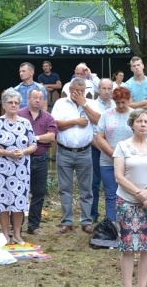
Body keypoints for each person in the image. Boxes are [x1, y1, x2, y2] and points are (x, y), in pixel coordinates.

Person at [113, 109, 147, 287]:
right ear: (132, 124)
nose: (143, 124)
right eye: (139, 121)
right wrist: (139, 193)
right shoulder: (122, 146)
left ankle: (142, 284)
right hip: (127, 202)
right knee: (128, 248)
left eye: (146, 122)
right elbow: (119, 176)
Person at [0, 88, 37, 245]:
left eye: (16, 102)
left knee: (19, 203)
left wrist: (23, 151)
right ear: (4, 104)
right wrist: (7, 153)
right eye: (10, 102)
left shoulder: (25, 122)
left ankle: (17, 234)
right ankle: (4, 235)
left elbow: (33, 144)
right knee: (4, 202)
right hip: (2, 169)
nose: (13, 105)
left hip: (21, 169)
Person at [52, 78, 96, 234]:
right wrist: (75, 121)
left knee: (86, 188)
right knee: (65, 188)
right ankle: (67, 221)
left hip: (85, 151)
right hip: (64, 151)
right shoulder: (60, 104)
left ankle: (86, 221)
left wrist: (84, 104)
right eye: (77, 90)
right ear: (70, 90)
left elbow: (98, 121)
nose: (79, 93)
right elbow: (56, 124)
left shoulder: (90, 104)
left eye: (82, 91)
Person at [17, 88, 58, 235]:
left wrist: (35, 138)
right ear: (28, 98)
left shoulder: (48, 117)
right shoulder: (19, 115)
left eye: (41, 98)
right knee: (19, 192)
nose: (38, 100)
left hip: (40, 159)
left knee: (39, 193)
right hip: (21, 159)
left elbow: (52, 137)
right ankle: (16, 226)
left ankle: (34, 226)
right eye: (35, 97)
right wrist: (41, 136)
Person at [94, 87, 133, 221]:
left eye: (123, 102)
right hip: (108, 162)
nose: (121, 106)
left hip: (130, 163)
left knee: (129, 194)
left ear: (129, 100)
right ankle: (111, 225)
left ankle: (128, 224)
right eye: (118, 103)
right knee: (111, 195)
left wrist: (126, 157)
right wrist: (115, 154)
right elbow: (99, 137)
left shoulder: (136, 115)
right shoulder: (106, 115)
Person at [82, 78, 116, 224]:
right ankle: (93, 213)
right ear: (99, 89)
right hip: (95, 147)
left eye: (109, 88)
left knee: (115, 183)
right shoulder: (91, 105)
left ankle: (114, 215)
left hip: (113, 149)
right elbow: (90, 126)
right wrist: (99, 144)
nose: (107, 91)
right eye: (104, 88)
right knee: (94, 182)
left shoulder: (116, 105)